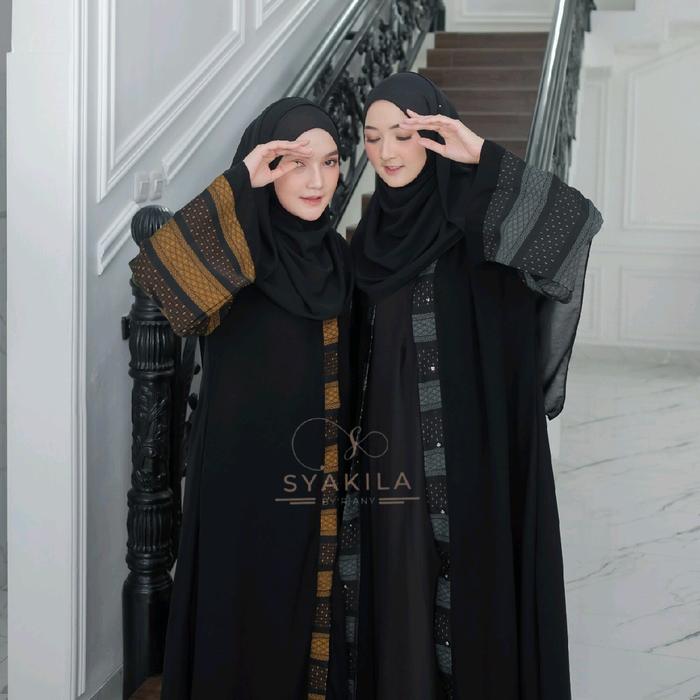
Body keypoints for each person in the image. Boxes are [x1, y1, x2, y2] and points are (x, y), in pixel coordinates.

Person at [338, 71, 604, 700]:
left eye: (404, 133)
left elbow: (575, 224)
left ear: (435, 134)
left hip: (467, 455)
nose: (387, 152)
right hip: (385, 455)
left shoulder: (481, 227)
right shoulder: (365, 241)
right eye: (373, 137)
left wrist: (481, 154)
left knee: (463, 599)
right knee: (395, 586)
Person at [128, 96, 354, 699]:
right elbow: (159, 274)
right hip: (238, 484)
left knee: (302, 619)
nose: (316, 181)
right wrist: (241, 180)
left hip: (312, 485)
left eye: (330, 162)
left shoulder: (339, 259)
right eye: (295, 163)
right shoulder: (233, 255)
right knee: (239, 618)